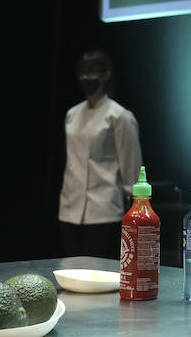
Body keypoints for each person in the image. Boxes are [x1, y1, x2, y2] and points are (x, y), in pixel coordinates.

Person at [58, 50, 143, 259]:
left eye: (92, 71)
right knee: (72, 270)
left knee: (99, 272)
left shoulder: (119, 116)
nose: (87, 77)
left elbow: (132, 168)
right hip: (70, 208)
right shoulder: (72, 114)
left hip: (104, 210)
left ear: (106, 74)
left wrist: (134, 205)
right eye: (83, 72)